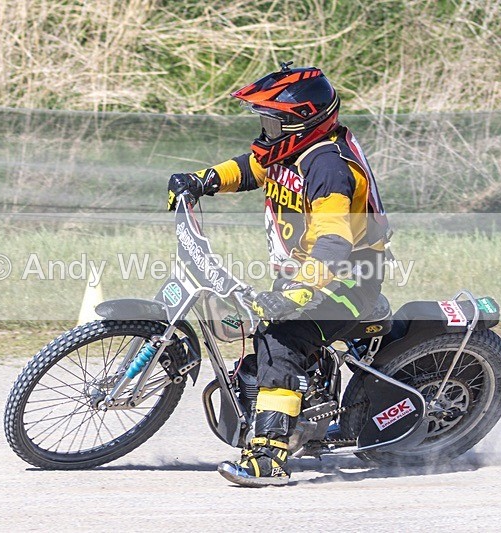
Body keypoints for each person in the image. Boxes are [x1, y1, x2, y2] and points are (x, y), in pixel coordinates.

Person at [167, 62, 392, 487]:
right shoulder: (290, 149)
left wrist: (303, 291)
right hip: (307, 270)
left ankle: (270, 455)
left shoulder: (327, 167)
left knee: (278, 339)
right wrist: (202, 181)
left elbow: (333, 239)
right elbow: (254, 167)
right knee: (265, 327)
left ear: (299, 123)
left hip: (347, 278)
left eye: (271, 120)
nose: (264, 129)